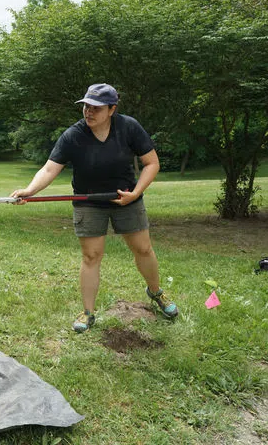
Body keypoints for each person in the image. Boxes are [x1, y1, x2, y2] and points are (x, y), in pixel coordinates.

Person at [11, 83, 178, 333]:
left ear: (112, 109)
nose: (89, 112)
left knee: (143, 249)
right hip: (88, 201)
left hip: (126, 198)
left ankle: (156, 293)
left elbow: (151, 163)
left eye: (96, 108)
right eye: (86, 106)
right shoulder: (73, 135)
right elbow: (49, 168)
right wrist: (29, 190)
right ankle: (88, 313)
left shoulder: (128, 127)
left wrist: (135, 193)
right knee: (91, 256)